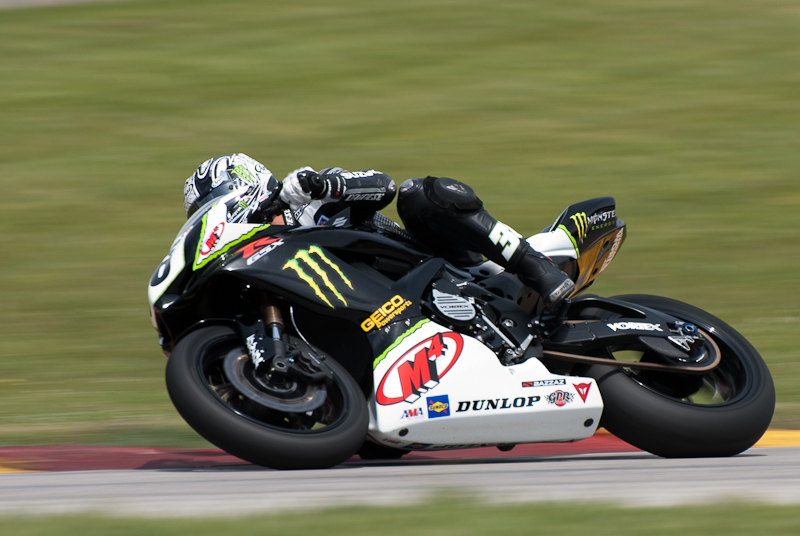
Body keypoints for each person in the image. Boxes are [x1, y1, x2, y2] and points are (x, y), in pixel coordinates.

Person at [183, 153, 575, 310]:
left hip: (444, 269)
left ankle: (535, 265)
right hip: (388, 312)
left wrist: (323, 187)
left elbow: (383, 185)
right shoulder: (259, 265)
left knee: (418, 193)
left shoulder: (307, 197)